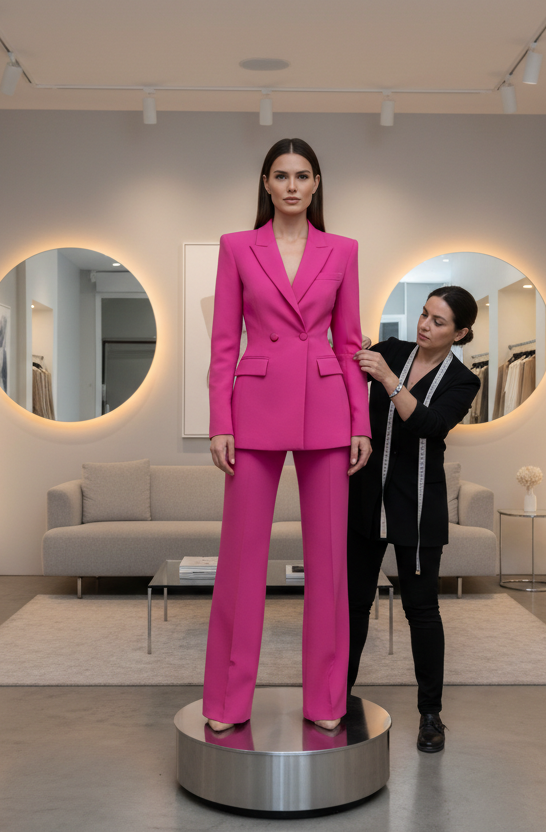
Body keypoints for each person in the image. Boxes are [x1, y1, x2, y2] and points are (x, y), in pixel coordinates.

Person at [203, 139, 372, 733]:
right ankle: (226, 703)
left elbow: (349, 344)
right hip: (254, 410)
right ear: (267, 184)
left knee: (329, 565)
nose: (293, 185)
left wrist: (361, 423)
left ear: (317, 183)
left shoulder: (344, 251)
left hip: (327, 409)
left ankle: (326, 702)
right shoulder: (236, 248)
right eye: (282, 176)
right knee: (240, 562)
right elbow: (224, 345)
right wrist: (220, 422)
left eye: (303, 175)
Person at [347, 286, 482, 752]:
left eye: (438, 321)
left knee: (421, 612)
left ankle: (430, 715)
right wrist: (352, 351)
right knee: (353, 606)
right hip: (365, 497)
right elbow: (342, 379)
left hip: (419, 504)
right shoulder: (390, 351)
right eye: (424, 315)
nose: (424, 325)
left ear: (460, 333)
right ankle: (336, 700)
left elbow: (428, 426)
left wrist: (386, 379)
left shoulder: (463, 381)